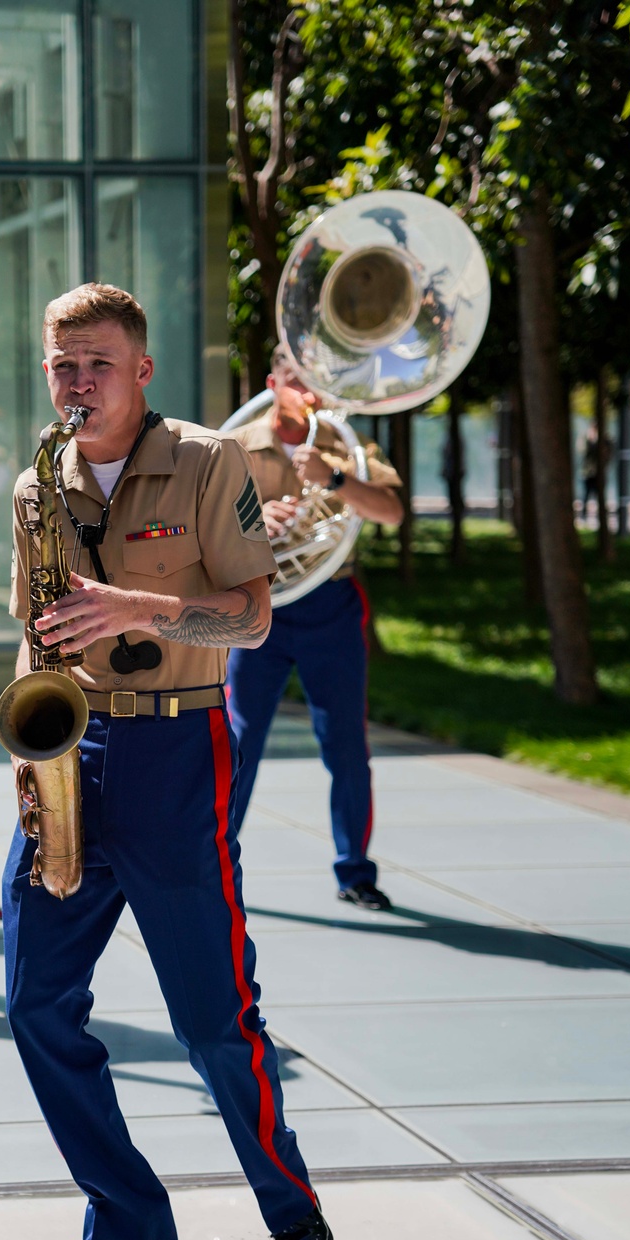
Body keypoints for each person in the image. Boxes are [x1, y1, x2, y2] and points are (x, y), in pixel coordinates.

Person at [3, 284, 332, 1240]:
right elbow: (35, 626)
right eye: (62, 363)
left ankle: (290, 1205)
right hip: (72, 757)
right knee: (34, 1004)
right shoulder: (35, 485)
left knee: (209, 1015)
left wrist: (128, 606)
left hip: (176, 754)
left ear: (141, 370)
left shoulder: (204, 458)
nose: (77, 380)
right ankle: (129, 1220)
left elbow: (250, 619)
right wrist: (33, 756)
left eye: (97, 362)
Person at [226, 345, 404, 912]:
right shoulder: (231, 445)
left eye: (316, 377)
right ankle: (216, 861)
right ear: (274, 378)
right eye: (295, 374)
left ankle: (355, 871)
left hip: (329, 605)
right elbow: (199, 526)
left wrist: (335, 479)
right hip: (261, 609)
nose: (306, 387)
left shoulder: (347, 444)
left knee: (346, 742)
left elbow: (391, 511)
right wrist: (256, 522)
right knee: (238, 740)